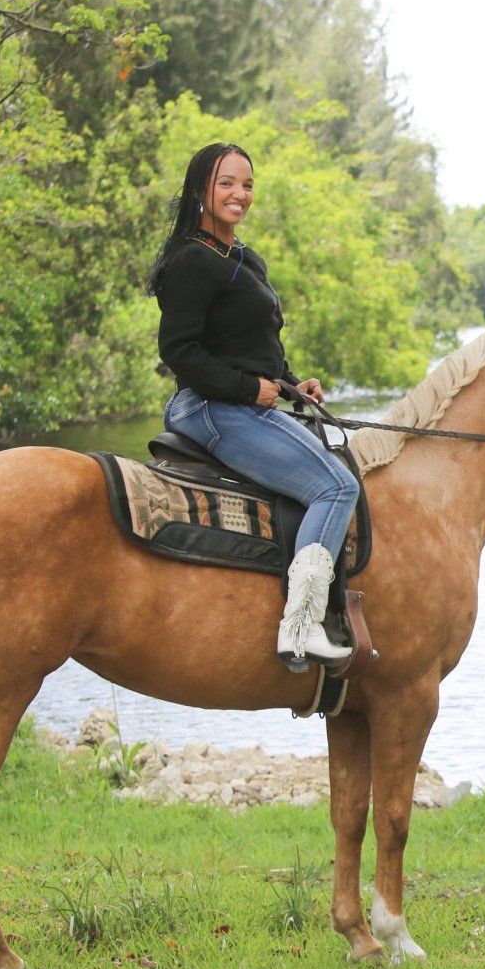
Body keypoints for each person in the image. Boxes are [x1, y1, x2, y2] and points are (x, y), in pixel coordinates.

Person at [146, 142, 358, 667]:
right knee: (337, 486)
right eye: (226, 184)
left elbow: (252, 343)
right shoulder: (193, 260)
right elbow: (179, 352)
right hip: (210, 407)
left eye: (247, 185)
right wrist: (248, 390)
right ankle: (301, 626)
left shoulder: (244, 257)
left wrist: (289, 383)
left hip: (248, 402)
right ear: (200, 191)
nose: (239, 194)